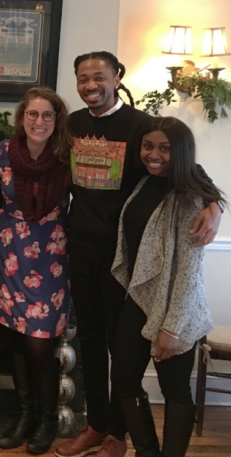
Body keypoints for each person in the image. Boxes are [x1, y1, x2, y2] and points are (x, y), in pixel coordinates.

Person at [56, 52, 223, 457]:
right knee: (90, 343)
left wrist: (214, 203)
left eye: (99, 77)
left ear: (117, 77)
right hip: (82, 250)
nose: (91, 85)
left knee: (122, 353)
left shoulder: (141, 126)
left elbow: (183, 163)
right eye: (83, 78)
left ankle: (118, 433)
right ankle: (97, 425)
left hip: (125, 263)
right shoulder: (72, 125)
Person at [110, 117, 222, 457]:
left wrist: (171, 329)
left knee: (175, 389)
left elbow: (188, 274)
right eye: (148, 146)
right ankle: (146, 451)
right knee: (124, 380)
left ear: (181, 152)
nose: (154, 155)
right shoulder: (144, 182)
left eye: (165, 148)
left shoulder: (190, 200)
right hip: (139, 299)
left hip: (178, 309)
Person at [0, 87, 72, 454]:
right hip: (8, 255)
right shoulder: (3, 152)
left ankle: (47, 419)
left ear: (57, 120)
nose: (39, 121)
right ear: (22, 117)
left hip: (49, 259)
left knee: (40, 345)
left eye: (47, 115)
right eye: (32, 114)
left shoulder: (69, 156)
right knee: (13, 341)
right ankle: (24, 416)